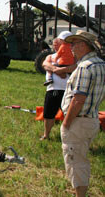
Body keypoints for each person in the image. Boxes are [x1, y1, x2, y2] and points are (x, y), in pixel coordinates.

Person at [60, 30, 105, 197]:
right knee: (81, 157)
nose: (71, 47)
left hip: (78, 122)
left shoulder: (85, 67)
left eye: (75, 43)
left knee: (76, 162)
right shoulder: (100, 64)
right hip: (91, 119)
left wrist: (66, 123)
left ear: (84, 45)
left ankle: (80, 194)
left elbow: (78, 99)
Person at [40, 36, 76, 140]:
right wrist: (57, 70)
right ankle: (46, 135)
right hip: (53, 89)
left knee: (70, 115)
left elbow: (75, 67)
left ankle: (71, 136)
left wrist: (61, 70)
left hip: (69, 90)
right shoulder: (50, 56)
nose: (56, 46)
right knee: (48, 113)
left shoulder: (73, 57)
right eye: (54, 44)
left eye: (58, 44)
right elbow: (45, 64)